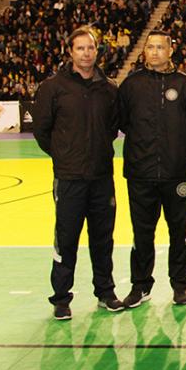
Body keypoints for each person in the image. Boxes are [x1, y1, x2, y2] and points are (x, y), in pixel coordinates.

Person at [32, 27, 123, 320]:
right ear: (70, 51)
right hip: (69, 178)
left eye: (91, 48)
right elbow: (42, 131)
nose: (86, 53)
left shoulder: (108, 88)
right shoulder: (53, 87)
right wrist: (63, 155)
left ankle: (105, 292)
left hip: (101, 178)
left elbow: (112, 128)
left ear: (97, 51)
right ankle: (61, 297)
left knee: (103, 238)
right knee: (66, 238)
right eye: (80, 48)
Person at [117, 30, 186, 307]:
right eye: (150, 47)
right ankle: (140, 286)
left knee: (179, 231)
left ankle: (180, 285)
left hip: (177, 174)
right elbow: (124, 122)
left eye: (160, 47)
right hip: (141, 173)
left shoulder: (185, 85)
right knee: (142, 232)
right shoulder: (131, 84)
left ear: (170, 50)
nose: (154, 52)